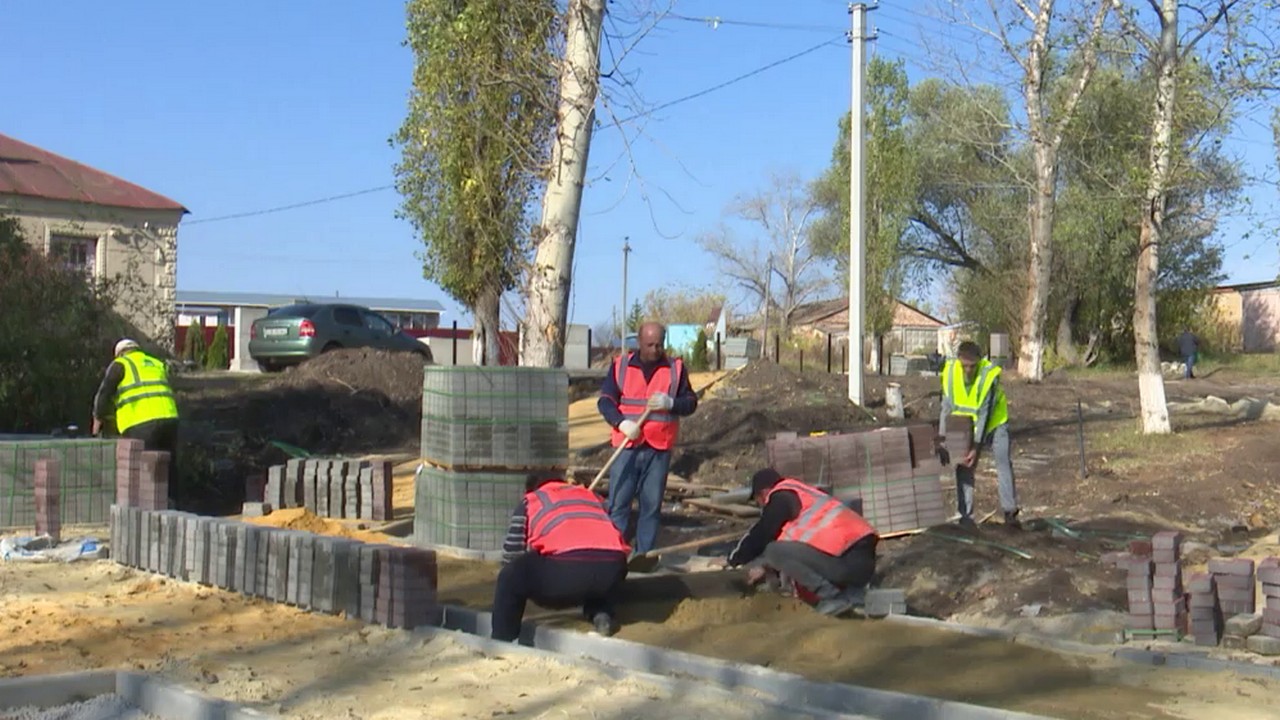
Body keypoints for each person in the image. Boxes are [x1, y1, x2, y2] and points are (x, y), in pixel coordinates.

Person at [597, 321, 698, 555]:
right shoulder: (621, 367)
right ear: (639, 343)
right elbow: (605, 401)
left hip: (659, 449)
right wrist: (621, 423)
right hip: (627, 447)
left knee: (651, 507)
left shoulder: (676, 369)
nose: (655, 350)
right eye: (650, 345)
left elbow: (690, 403)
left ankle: (644, 557)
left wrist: (671, 403)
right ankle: (615, 555)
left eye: (659, 345)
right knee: (618, 504)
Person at [492, 471, 630, 641]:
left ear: (531, 489)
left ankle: (501, 639)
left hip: (566, 572)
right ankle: (601, 613)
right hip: (613, 567)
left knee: (509, 576)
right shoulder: (590, 496)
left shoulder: (533, 499)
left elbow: (511, 554)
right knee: (594, 567)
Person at [724, 469, 879, 617]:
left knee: (773, 550)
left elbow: (763, 532)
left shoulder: (781, 497)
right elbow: (796, 552)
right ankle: (849, 595)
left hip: (846, 561)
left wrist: (734, 559)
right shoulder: (803, 495)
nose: (761, 506)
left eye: (758, 501)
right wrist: (765, 566)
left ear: (763, 493)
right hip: (861, 561)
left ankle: (832, 597)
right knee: (776, 552)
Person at [940, 340, 1019, 529]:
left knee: (1002, 461)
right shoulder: (950, 374)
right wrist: (942, 439)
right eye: (964, 366)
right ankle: (966, 518)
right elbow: (946, 408)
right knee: (964, 463)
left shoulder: (987, 376)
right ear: (958, 361)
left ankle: (1010, 513)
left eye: (972, 366)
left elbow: (985, 413)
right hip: (968, 425)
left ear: (979, 361)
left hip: (995, 423)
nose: (968, 370)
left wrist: (976, 446)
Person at [92, 339, 180, 500]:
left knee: (142, 469)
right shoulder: (155, 363)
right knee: (167, 468)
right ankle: (172, 507)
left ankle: (146, 511)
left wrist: (98, 420)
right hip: (170, 419)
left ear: (119, 353)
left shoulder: (120, 364)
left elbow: (104, 394)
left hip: (141, 423)